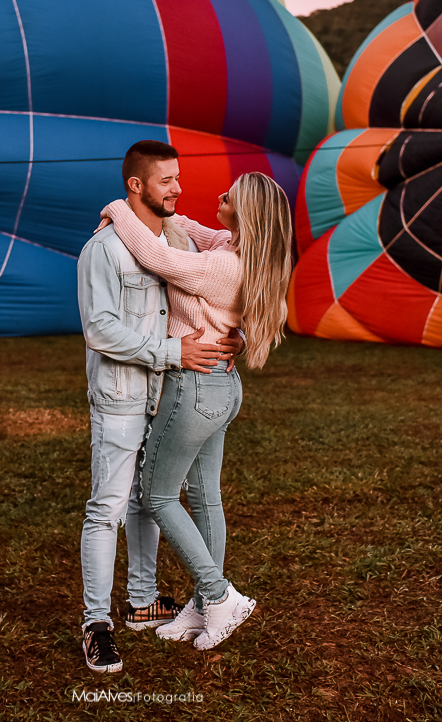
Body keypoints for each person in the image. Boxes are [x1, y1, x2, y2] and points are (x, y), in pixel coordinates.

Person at [98, 170, 293, 651]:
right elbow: (183, 227)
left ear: (244, 215)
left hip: (193, 389)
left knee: (158, 495)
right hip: (221, 387)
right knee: (206, 498)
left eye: (231, 196)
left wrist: (120, 208)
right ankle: (204, 608)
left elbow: (157, 256)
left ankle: (219, 594)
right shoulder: (234, 248)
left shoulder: (223, 267)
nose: (220, 194)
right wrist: (157, 209)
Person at [76, 140, 243, 673]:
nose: (178, 188)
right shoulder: (104, 248)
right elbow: (101, 328)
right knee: (107, 507)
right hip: (123, 393)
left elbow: (213, 293)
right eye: (167, 180)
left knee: (147, 502)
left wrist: (234, 335)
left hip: (165, 393)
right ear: (136, 185)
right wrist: (175, 351)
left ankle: (142, 603)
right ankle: (95, 623)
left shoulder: (173, 237)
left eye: (178, 178)